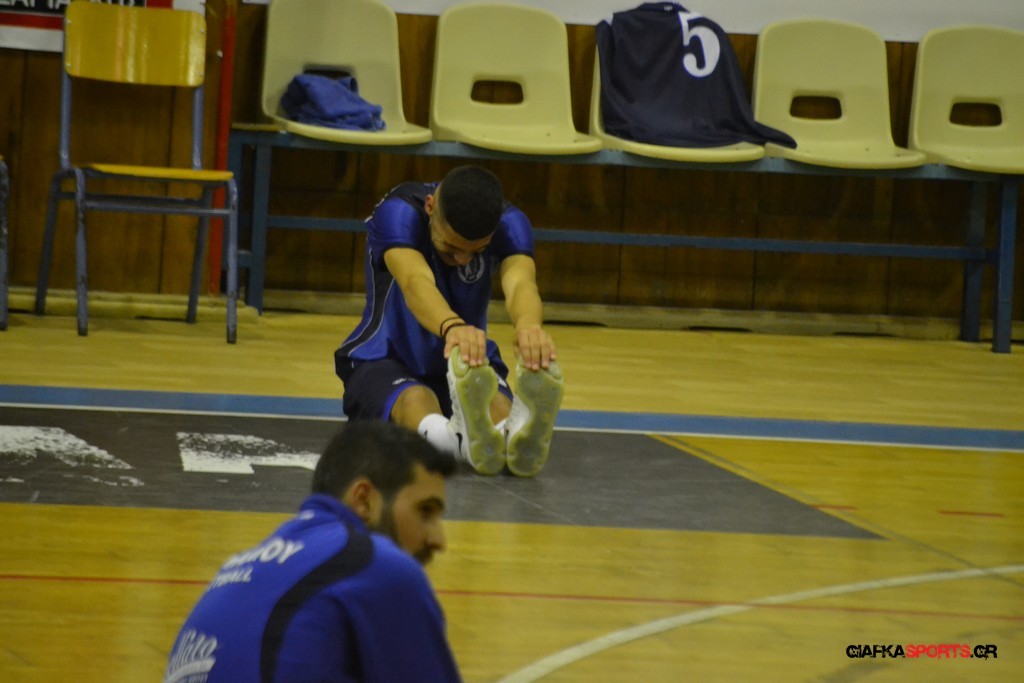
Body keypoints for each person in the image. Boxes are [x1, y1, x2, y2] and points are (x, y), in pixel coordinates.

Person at [164, 420, 462, 683]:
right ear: (363, 500)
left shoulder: (243, 567)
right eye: (425, 511)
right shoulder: (377, 565)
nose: (438, 540)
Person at [335, 165, 564, 478]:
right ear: (430, 207)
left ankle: (510, 437)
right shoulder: (399, 212)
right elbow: (415, 281)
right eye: (451, 247)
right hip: (384, 357)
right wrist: (453, 327)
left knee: (497, 407)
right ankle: (460, 444)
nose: (463, 260)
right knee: (416, 400)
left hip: (467, 357)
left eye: (478, 251)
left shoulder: (511, 222)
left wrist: (529, 328)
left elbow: (521, 282)